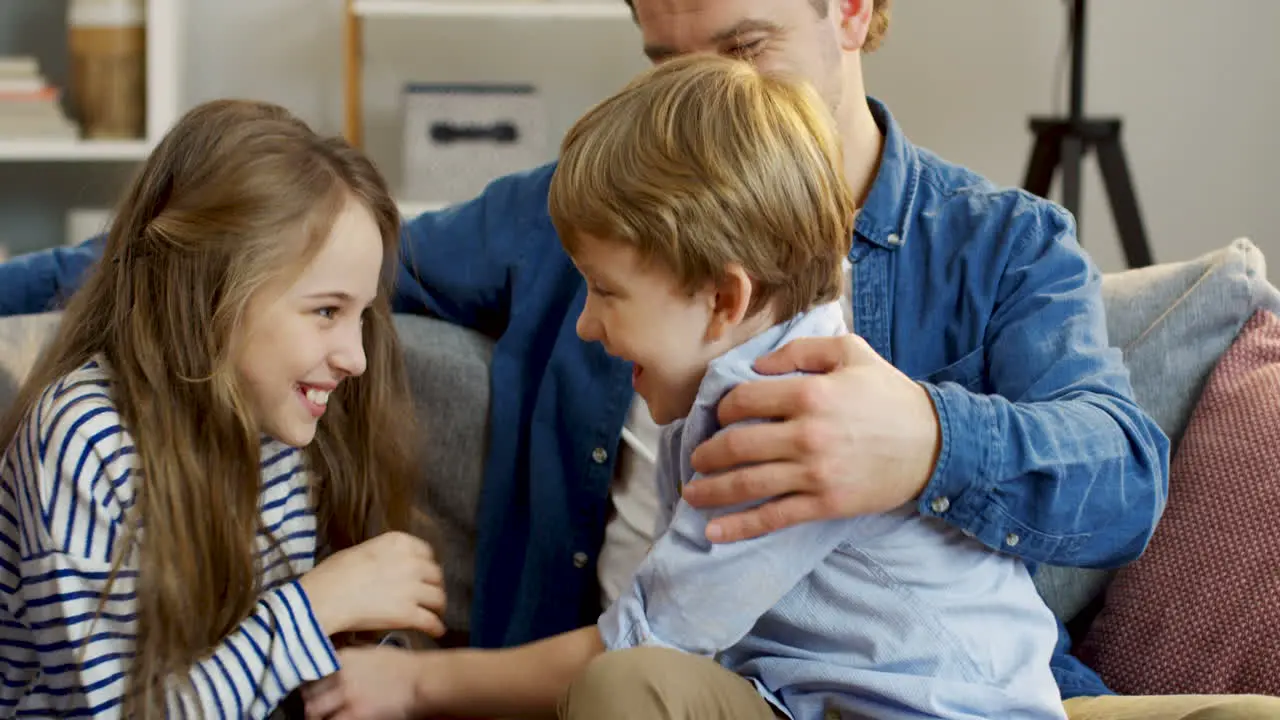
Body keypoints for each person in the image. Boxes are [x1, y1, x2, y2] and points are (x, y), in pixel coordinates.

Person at [2, 2, 1277, 718]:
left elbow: (1118, 483)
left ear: (853, 14)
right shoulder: (596, 212)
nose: (696, 100)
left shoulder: (995, 246)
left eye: (738, 50)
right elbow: (256, 265)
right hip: (673, 693)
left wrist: (927, 446)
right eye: (663, 60)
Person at [304, 51, 1070, 720]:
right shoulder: (756, 365)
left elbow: (642, 640)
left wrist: (415, 685)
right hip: (809, 700)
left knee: (627, 683)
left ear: (723, 300)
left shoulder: (782, 427)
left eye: (604, 293)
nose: (585, 327)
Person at [0, 99, 448, 718]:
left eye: (360, 316)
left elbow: (263, 680)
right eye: (325, 311)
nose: (356, 358)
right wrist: (317, 607)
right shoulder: (86, 438)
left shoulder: (286, 427)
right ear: (211, 290)